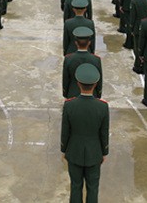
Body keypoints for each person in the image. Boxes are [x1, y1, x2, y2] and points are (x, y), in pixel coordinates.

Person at [61, 63, 109, 203]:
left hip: (74, 151)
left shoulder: (69, 105)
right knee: (93, 188)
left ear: (78, 83)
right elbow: (104, 132)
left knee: (75, 186)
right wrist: (104, 152)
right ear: (95, 85)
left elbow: (65, 131)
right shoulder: (102, 107)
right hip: (94, 152)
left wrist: (64, 149)